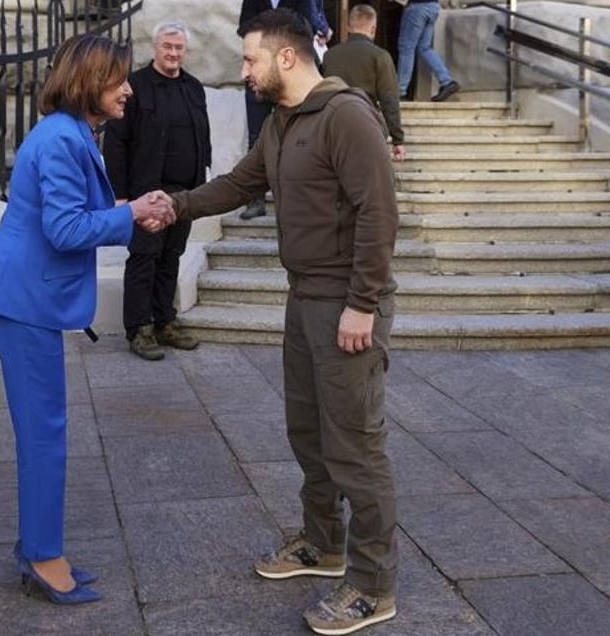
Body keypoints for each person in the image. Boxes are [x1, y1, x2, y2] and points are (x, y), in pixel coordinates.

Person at [170, 9, 399, 635]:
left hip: (346, 304)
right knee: (310, 433)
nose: (244, 70)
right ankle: (323, 546)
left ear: (287, 58)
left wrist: (362, 304)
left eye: (250, 60)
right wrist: (177, 206)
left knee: (356, 446)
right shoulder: (283, 123)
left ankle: (373, 585)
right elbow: (242, 184)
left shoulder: (347, 116)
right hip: (304, 300)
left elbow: (379, 214)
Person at [0, 33, 175, 605]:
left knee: (45, 429)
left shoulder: (67, 132)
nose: (129, 89)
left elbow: (72, 215)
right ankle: (42, 556)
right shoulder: (62, 139)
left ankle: (38, 546)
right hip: (22, 302)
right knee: (45, 432)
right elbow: (64, 232)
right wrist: (131, 213)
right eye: (119, 79)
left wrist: (128, 210)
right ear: (90, 81)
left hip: (20, 295)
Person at [102, 21, 210, 361]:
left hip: (184, 195)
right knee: (144, 258)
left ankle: (165, 321)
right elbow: (116, 143)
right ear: (155, 47)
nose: (173, 53)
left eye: (179, 48)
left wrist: (203, 178)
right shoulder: (134, 86)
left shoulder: (194, 87)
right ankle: (139, 328)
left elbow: (202, 135)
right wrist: (120, 196)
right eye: (167, 46)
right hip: (146, 192)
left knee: (170, 257)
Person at [238, 0, 331, 220]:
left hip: (288, 74)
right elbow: (244, 26)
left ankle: (301, 198)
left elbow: (305, 26)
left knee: (302, 135)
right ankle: (256, 199)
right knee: (256, 137)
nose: (243, 72)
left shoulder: (344, 112)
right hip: (262, 78)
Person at [322, 3, 406, 162]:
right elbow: (389, 100)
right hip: (366, 125)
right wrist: (397, 139)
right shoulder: (380, 56)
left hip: (332, 126)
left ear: (348, 27)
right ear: (373, 29)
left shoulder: (329, 56)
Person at [397, 0, 460, 101]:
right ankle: (447, 81)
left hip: (417, 7)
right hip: (433, 6)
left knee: (406, 48)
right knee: (425, 48)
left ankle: (400, 91)